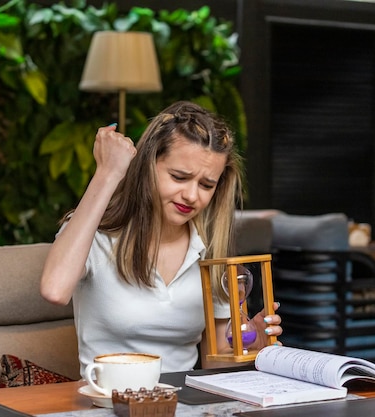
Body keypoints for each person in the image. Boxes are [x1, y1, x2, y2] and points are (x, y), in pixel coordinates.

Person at [40, 101, 282, 375]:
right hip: (109, 402)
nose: (192, 196)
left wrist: (253, 346)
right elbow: (54, 290)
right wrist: (108, 173)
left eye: (206, 185)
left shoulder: (207, 251)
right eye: (179, 177)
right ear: (147, 166)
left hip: (184, 404)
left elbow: (214, 361)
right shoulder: (96, 236)